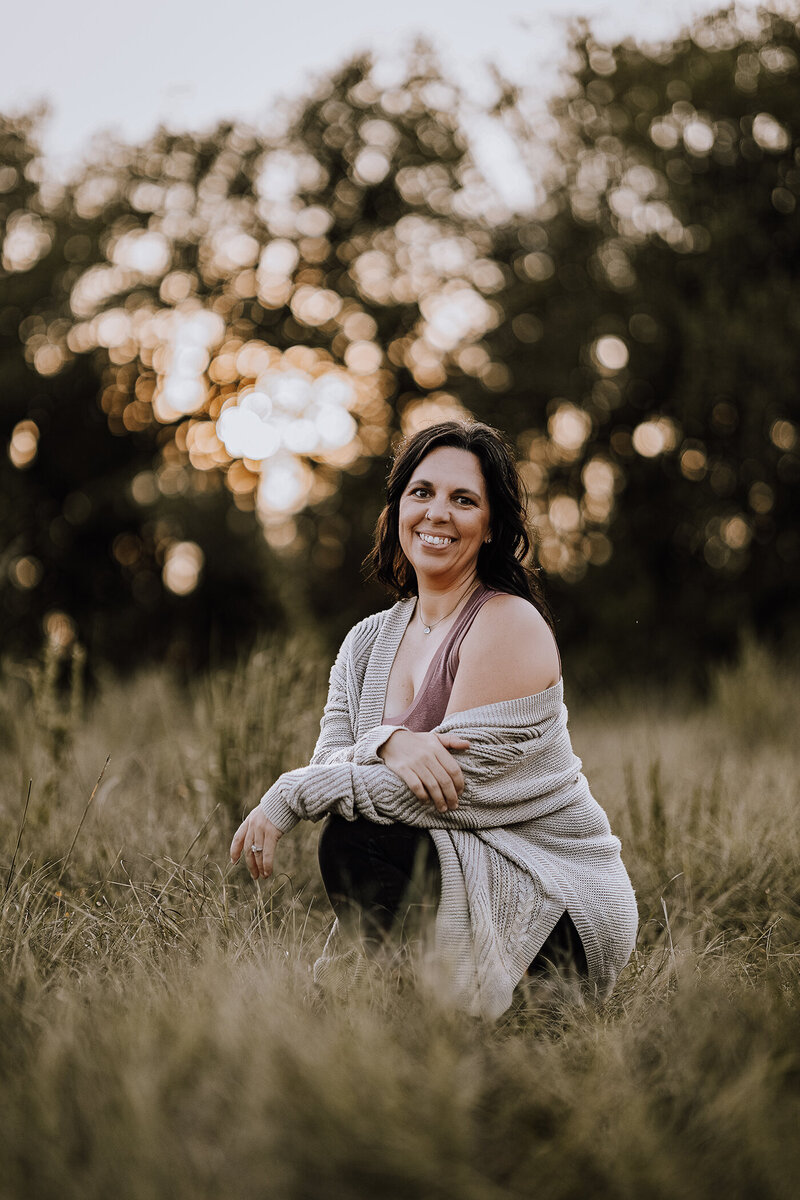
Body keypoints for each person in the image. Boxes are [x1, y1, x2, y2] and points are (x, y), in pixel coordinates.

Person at [230, 420, 638, 1019]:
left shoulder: (509, 624)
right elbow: (332, 763)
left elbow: (449, 793)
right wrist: (390, 742)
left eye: (463, 499)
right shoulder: (365, 643)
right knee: (357, 828)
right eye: (421, 493)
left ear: (492, 524)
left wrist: (293, 793)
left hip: (551, 899)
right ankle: (416, 1013)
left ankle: (452, 1014)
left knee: (358, 835)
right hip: (462, 866)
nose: (436, 514)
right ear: (397, 507)